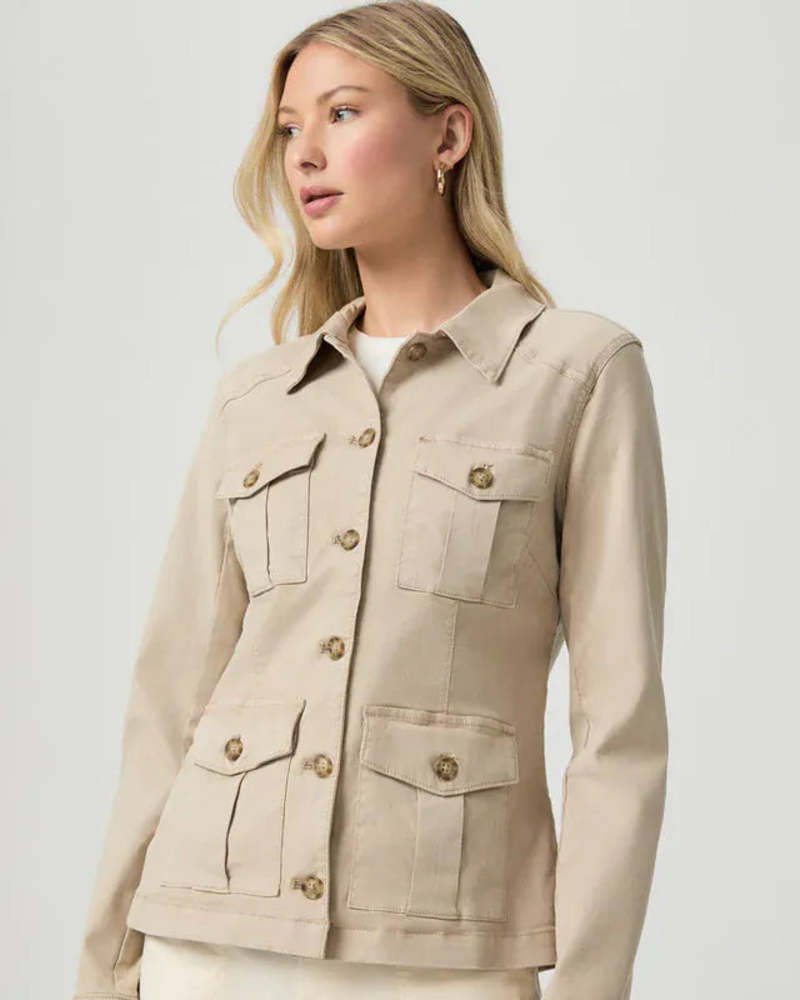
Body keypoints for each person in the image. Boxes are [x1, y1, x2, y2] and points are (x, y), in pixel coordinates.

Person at [71, 3, 669, 999]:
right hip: (206, 940)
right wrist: (105, 970)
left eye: (342, 113)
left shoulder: (576, 374)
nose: (305, 154)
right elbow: (171, 701)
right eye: (289, 128)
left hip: (446, 953)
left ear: (448, 135)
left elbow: (619, 728)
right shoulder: (256, 400)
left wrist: (590, 983)